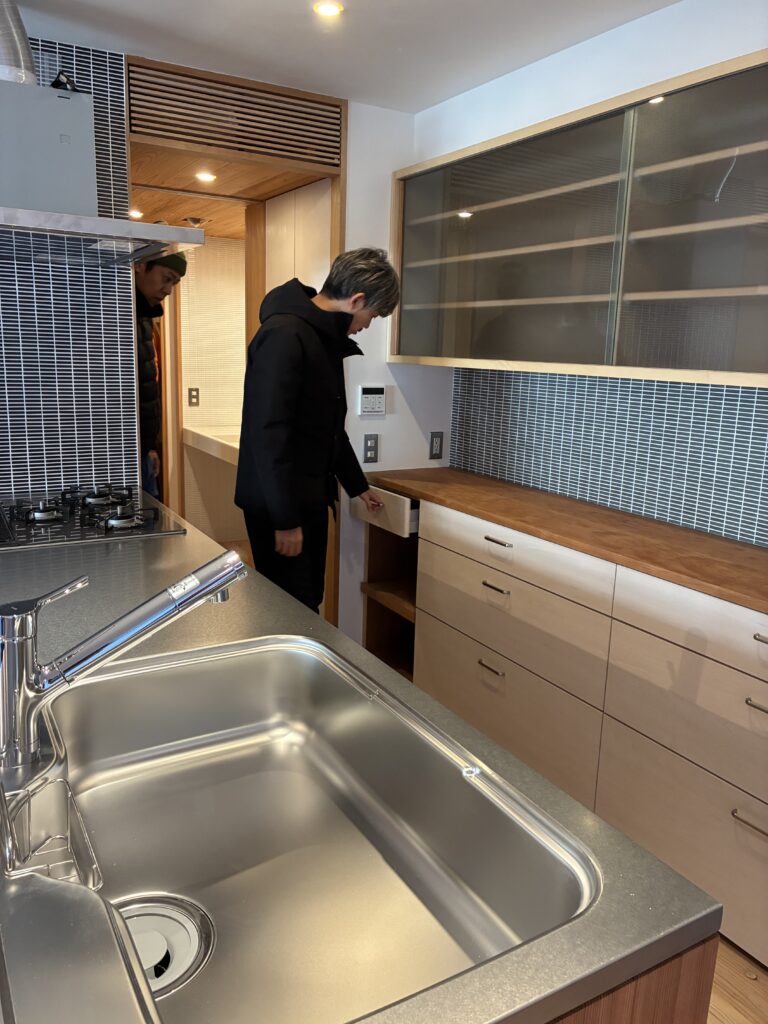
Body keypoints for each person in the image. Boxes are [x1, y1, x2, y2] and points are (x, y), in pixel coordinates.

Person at [235, 247, 399, 613]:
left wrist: (357, 485)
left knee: (306, 600)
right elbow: (268, 434)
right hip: (280, 504)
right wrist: (285, 521)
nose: (368, 324)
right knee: (290, 608)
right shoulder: (285, 335)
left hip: (303, 496)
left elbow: (326, 427)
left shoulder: (321, 337)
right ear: (356, 300)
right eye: (373, 314)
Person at [134, 252, 187, 498]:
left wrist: (150, 448)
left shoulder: (143, 316)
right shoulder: (116, 314)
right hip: (119, 453)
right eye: (166, 278)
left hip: (140, 452)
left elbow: (146, 391)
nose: (168, 290)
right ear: (140, 265)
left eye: (174, 283)